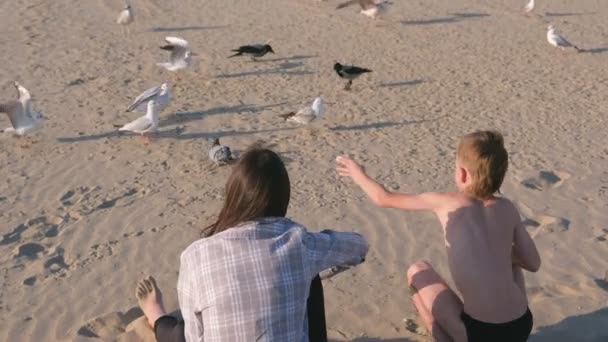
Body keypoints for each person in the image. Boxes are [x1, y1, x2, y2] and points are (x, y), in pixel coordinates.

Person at [136, 145, 369, 342]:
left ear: (234, 196)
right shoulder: (299, 243)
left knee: (182, 330)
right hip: (302, 258)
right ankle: (156, 314)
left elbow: (193, 337)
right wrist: (301, 267)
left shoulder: (195, 255)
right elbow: (359, 247)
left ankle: (156, 315)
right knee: (311, 276)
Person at [336, 130, 541, 342]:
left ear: (462, 173)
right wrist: (498, 253)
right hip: (521, 326)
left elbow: (384, 198)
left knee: (417, 271)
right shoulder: (508, 208)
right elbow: (533, 263)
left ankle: (435, 328)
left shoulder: (446, 202)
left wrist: (358, 174)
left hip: (480, 334)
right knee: (512, 261)